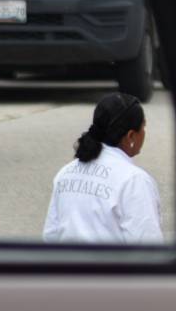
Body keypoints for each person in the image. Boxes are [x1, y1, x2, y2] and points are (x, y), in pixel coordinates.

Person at [43, 92, 161, 243]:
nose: (144, 133)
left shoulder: (65, 173)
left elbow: (50, 236)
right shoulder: (134, 181)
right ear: (131, 136)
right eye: (143, 127)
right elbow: (147, 247)